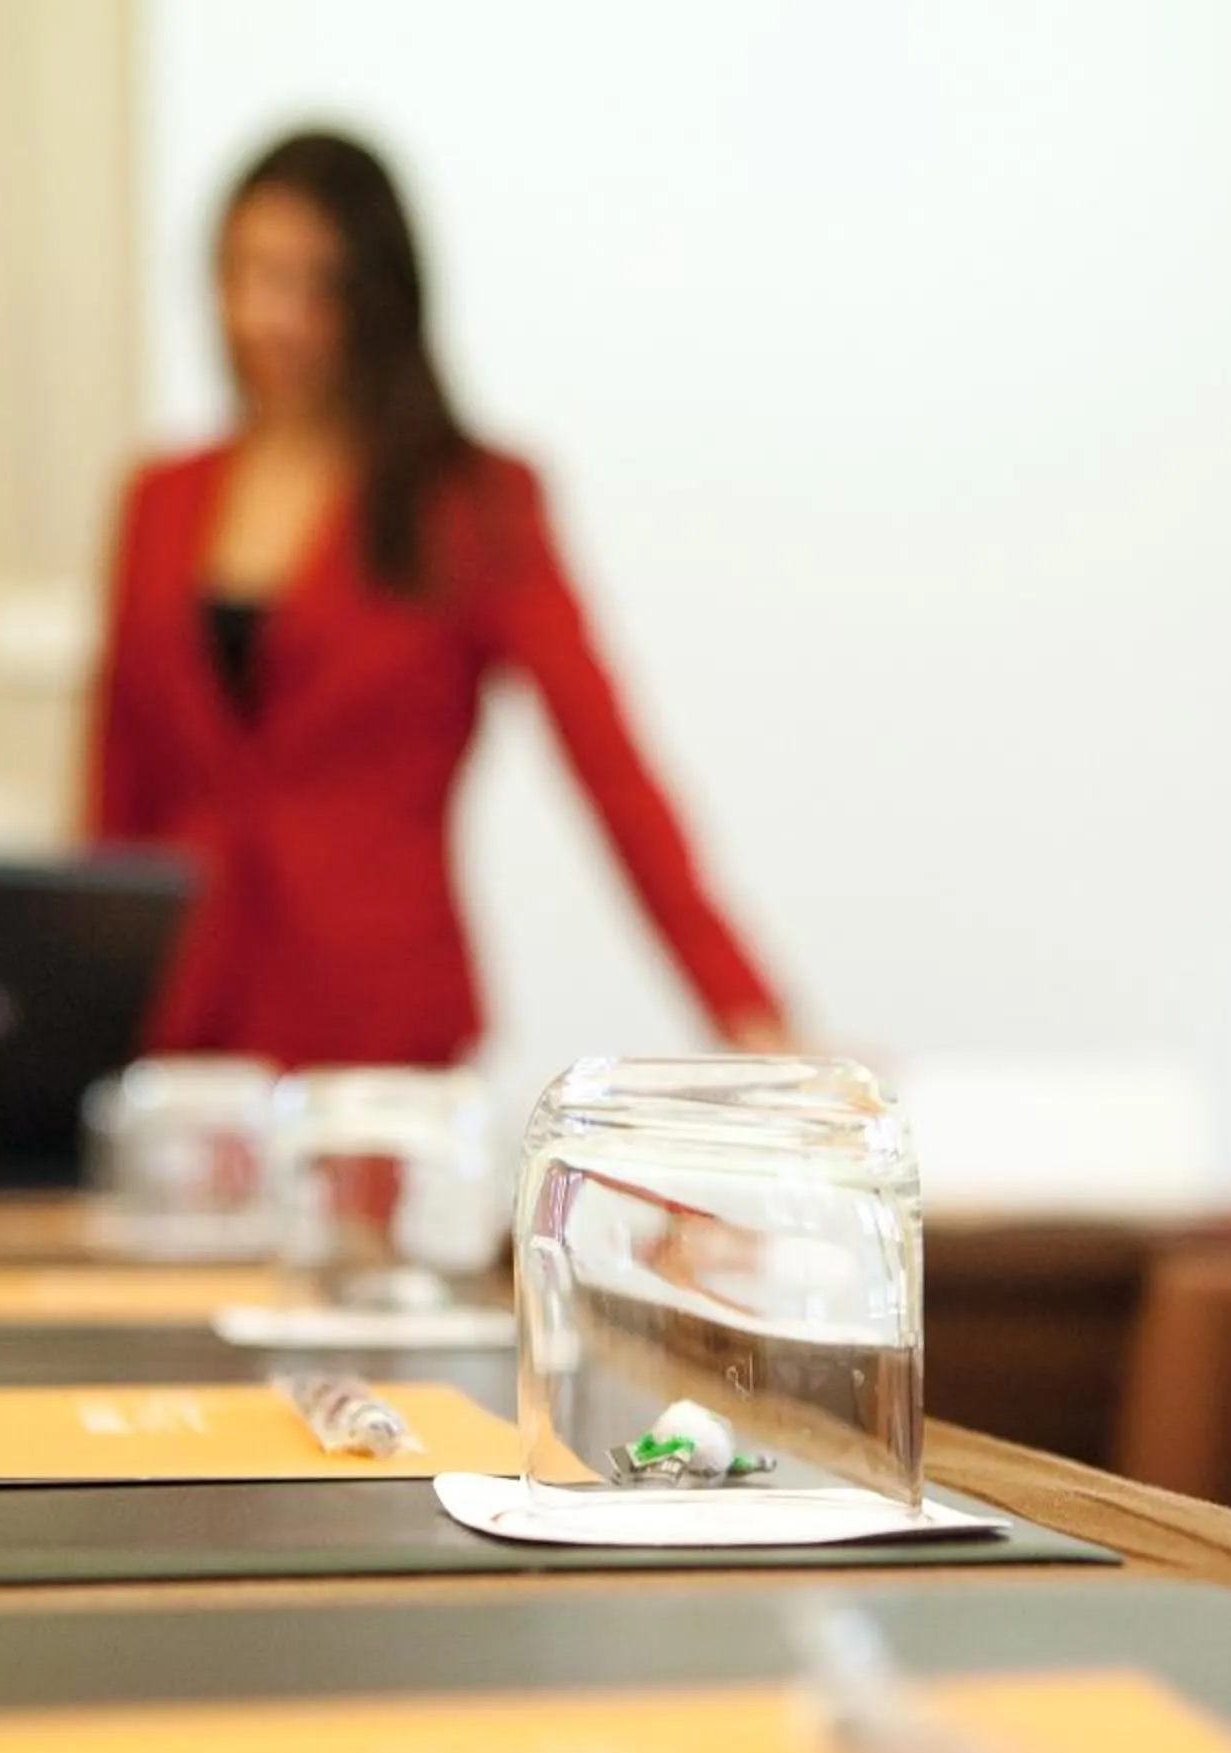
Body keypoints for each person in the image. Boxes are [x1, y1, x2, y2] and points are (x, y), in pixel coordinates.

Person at [86, 131, 790, 1070]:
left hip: (379, 1023)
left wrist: (749, 1016)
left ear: (374, 297)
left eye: (303, 282)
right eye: (243, 275)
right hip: (184, 1020)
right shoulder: (160, 502)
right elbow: (117, 787)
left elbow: (611, 772)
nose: (265, 315)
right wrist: (75, 1005)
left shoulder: (469, 505)